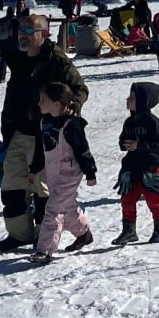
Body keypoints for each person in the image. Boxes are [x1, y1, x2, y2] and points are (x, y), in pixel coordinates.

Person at [0, 14, 89, 252]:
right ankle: (20, 234)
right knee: (12, 187)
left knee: (43, 190)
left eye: (29, 32)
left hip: (46, 135)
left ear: (43, 34)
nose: (23, 36)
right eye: (21, 31)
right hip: (18, 131)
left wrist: (68, 110)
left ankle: (43, 234)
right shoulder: (17, 59)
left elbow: (79, 89)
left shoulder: (56, 60)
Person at [30, 82, 96, 263]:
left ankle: (44, 250)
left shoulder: (71, 125)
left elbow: (83, 149)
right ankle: (84, 233)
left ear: (57, 104)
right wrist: (34, 169)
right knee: (66, 207)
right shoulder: (45, 122)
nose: (39, 103)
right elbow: (40, 148)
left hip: (69, 173)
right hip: (53, 173)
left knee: (53, 210)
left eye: (44, 100)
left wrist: (90, 171)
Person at [114, 81, 159, 245]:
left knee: (154, 199)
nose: (127, 100)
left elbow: (158, 148)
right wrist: (124, 144)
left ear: (143, 100)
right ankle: (129, 230)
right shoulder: (129, 122)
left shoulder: (154, 123)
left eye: (132, 97)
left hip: (150, 168)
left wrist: (139, 145)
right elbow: (122, 141)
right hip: (132, 168)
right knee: (127, 198)